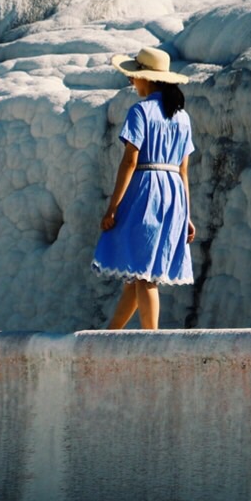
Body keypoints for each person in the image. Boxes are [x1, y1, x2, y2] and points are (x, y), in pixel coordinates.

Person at [93, 45, 197, 329]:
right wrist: (186, 214)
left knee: (145, 276)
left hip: (146, 191)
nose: (131, 81)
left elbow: (129, 162)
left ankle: (151, 341)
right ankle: (111, 334)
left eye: (134, 76)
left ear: (147, 78)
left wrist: (112, 208)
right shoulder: (182, 116)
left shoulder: (141, 110)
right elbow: (183, 169)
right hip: (173, 193)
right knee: (138, 273)